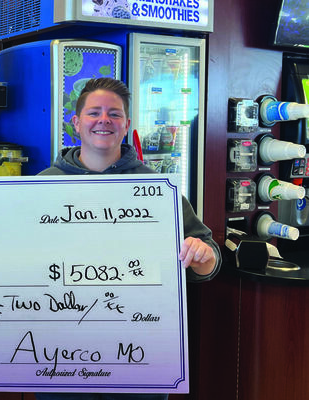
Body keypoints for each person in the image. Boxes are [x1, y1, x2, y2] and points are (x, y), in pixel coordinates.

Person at [36, 78, 220, 400]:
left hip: (139, 354)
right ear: (76, 122)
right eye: (94, 112)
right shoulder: (41, 186)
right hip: (60, 354)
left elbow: (208, 258)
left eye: (114, 114)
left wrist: (203, 256)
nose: (104, 120)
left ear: (126, 125)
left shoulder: (156, 188)